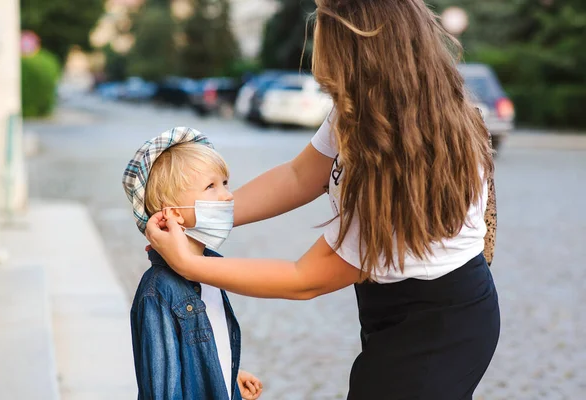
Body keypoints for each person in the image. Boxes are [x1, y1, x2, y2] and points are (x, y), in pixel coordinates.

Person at [145, 1, 500, 399]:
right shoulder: (365, 108)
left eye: (332, 76)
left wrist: (189, 264)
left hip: (441, 323)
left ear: (364, 61)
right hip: (394, 304)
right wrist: (201, 215)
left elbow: (304, 279)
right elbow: (298, 176)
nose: (327, 86)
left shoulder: (403, 163)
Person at [122, 128, 263, 400]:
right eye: (212, 186)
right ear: (174, 212)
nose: (228, 196)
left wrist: (226, 377)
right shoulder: (159, 291)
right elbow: (162, 389)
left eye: (225, 183)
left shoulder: (210, 271)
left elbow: (201, 349)